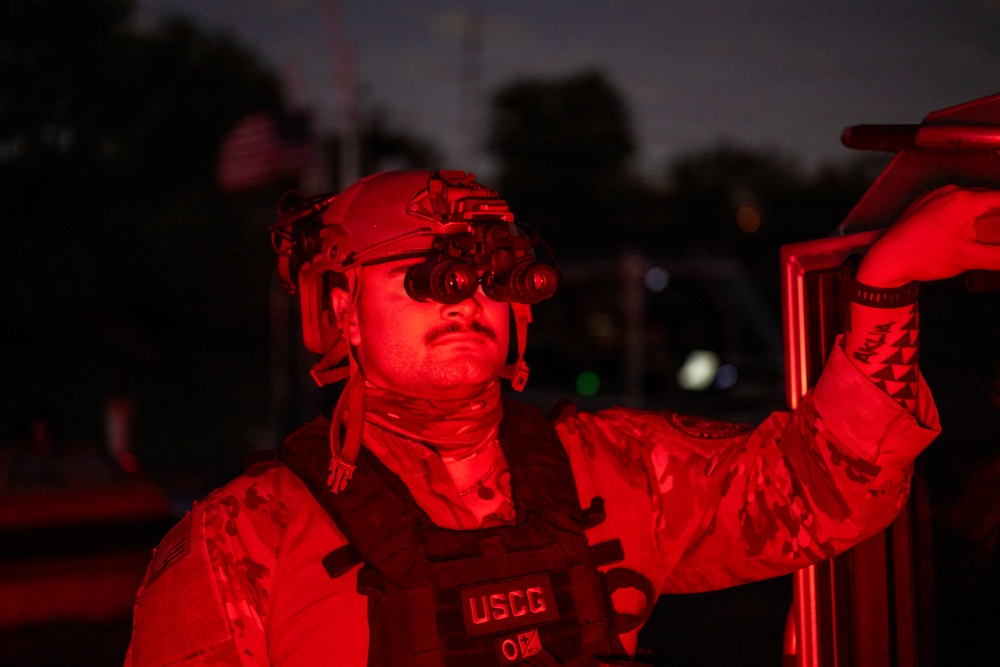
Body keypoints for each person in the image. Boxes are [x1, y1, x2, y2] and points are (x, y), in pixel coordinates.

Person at [125, 170, 1000, 666]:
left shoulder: (610, 467)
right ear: (344, 311)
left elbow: (824, 487)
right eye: (425, 275)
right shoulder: (241, 543)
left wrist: (887, 284)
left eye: (490, 274)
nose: (465, 296)